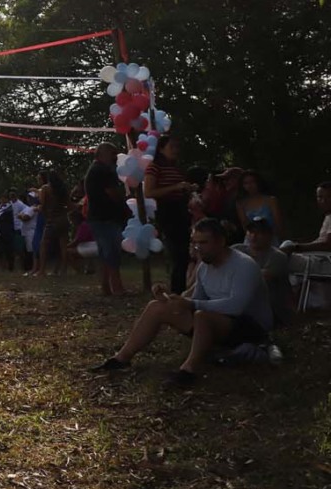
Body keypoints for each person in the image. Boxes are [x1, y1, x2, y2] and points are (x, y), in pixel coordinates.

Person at [91, 219, 271, 386]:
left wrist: (191, 304)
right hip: (217, 323)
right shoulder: (204, 267)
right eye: (195, 242)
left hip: (252, 329)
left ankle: (188, 370)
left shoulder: (244, 265)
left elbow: (236, 306)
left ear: (221, 241)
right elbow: (195, 299)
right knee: (157, 307)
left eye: (204, 243)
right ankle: (121, 358)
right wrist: (170, 298)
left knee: (202, 316)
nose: (198, 248)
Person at [144, 134, 195, 293]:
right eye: (171, 146)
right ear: (161, 149)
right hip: (167, 211)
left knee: (184, 254)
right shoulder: (154, 167)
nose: (175, 150)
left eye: (177, 146)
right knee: (178, 254)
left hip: (181, 210)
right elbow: (149, 192)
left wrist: (187, 189)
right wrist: (175, 187)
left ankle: (181, 288)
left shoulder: (175, 168)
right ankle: (176, 291)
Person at [85, 143, 128, 296]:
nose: (115, 157)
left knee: (105, 253)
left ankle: (106, 286)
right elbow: (112, 192)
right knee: (112, 252)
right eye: (113, 153)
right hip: (105, 217)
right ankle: (116, 287)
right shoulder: (103, 170)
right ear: (104, 154)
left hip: (96, 217)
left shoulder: (94, 169)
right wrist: (124, 205)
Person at [234, 216, 292, 326]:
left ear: (269, 235)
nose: (253, 236)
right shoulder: (237, 250)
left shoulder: (278, 257)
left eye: (259, 233)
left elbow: (257, 279)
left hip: (270, 311)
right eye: (251, 232)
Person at [36, 169, 71, 278]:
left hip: (52, 220)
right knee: (63, 246)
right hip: (63, 219)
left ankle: (42, 270)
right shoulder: (63, 189)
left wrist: (40, 210)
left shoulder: (45, 188)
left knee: (44, 245)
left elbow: (43, 205)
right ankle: (63, 270)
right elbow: (69, 204)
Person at [236, 171, 284, 239]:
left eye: (252, 182)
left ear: (258, 182)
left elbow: (279, 223)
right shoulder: (241, 204)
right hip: (253, 239)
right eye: (246, 183)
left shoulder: (271, 200)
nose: (249, 186)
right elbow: (245, 226)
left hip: (272, 237)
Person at [0, 191, 18, 273]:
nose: (2, 200)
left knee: (9, 250)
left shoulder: (10, 208)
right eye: (1, 198)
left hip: (8, 231)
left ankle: (10, 266)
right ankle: (2, 266)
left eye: (4, 198)